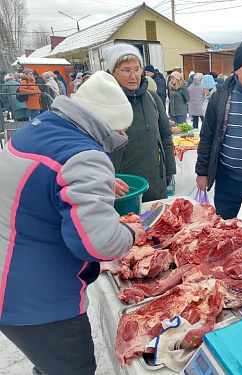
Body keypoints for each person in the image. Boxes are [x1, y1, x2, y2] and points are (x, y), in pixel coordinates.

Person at [0, 70, 146, 375]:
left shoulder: (39, 128)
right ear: (107, 124)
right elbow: (98, 243)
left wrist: (96, 181)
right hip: (38, 298)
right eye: (122, 130)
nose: (123, 137)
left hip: (12, 278)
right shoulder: (82, 155)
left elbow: (47, 182)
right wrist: (130, 233)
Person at [195, 39, 242, 240]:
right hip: (227, 180)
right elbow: (207, 137)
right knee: (222, 237)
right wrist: (202, 172)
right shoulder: (220, 97)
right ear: (236, 69)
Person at [104, 44, 176, 202]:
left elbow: (165, 135)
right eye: (126, 70)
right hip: (124, 186)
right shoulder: (105, 102)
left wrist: (169, 170)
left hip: (156, 181)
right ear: (113, 72)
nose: (133, 76)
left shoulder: (152, 98)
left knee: (158, 223)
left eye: (137, 69)